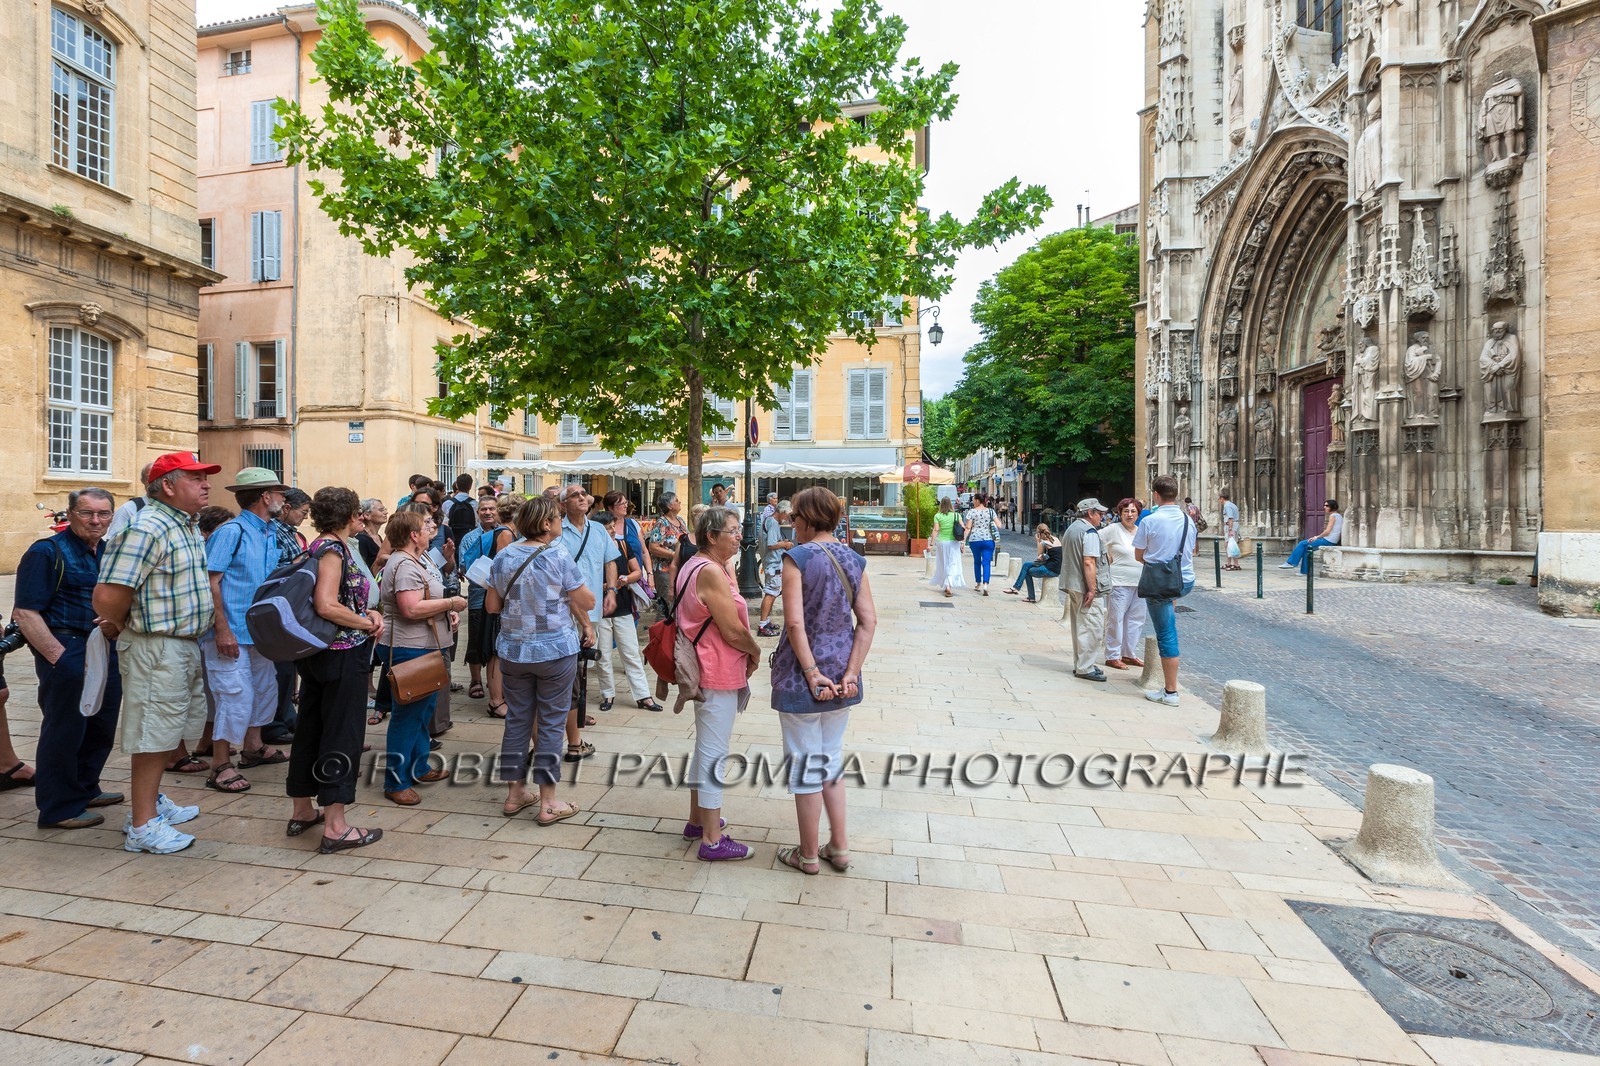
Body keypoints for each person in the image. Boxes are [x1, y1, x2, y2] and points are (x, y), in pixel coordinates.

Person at [94, 452, 216, 854]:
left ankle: (150, 803)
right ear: (167, 485)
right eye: (195, 478)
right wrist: (126, 625)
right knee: (152, 731)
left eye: (205, 478)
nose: (206, 485)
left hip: (177, 645)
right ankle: (143, 825)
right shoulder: (148, 528)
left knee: (166, 729)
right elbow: (108, 594)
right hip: (156, 646)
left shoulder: (184, 525)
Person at [769, 488, 875, 875]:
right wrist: (851, 672)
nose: (791, 523)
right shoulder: (854, 558)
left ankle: (809, 854)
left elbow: (795, 623)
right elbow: (868, 621)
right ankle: (840, 847)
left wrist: (812, 672)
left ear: (809, 519)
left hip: (803, 676)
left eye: (795, 517)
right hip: (843, 675)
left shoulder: (797, 558)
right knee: (830, 757)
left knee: (804, 761)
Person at [12, 488, 122, 829]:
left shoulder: (104, 551)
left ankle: (84, 788)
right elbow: (25, 612)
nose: (95, 520)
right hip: (68, 649)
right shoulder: (46, 552)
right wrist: (58, 656)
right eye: (87, 513)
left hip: (102, 648)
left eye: (103, 514)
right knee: (65, 729)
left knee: (100, 725)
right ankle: (59, 807)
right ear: (70, 514)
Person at [288, 487, 385, 853]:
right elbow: (327, 604)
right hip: (340, 654)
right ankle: (336, 825)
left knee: (311, 727)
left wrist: (366, 613)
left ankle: (302, 808)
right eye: (358, 512)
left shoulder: (317, 545)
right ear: (349, 516)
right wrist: (364, 621)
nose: (361, 518)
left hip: (320, 654)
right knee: (341, 735)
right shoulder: (332, 549)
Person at [487, 495, 595, 824]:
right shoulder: (558, 555)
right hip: (554, 650)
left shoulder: (504, 556)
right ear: (546, 524)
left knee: (518, 720)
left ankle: (514, 792)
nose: (561, 521)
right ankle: (548, 801)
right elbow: (587, 600)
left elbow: (492, 606)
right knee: (550, 722)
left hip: (514, 649)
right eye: (557, 517)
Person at [198, 467, 292, 796]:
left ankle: (253, 747)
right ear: (265, 497)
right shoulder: (232, 531)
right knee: (234, 697)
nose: (283, 497)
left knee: (264, 691)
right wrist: (222, 630)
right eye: (279, 492)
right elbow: (211, 583)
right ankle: (220, 764)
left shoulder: (268, 531)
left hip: (258, 633)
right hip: (232, 633)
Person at [675, 506, 762, 860]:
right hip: (717, 668)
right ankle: (712, 840)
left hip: (708, 666)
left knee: (706, 746)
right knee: (713, 752)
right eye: (732, 530)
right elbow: (732, 630)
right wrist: (755, 651)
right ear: (711, 536)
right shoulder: (709, 570)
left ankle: (698, 820)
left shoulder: (696, 564)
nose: (739, 535)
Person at [377, 510, 467, 805]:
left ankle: (419, 766)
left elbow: (425, 601)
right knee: (407, 716)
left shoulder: (417, 559)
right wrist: (452, 602)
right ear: (413, 535)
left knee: (422, 712)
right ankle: (396, 782)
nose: (431, 530)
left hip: (425, 646)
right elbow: (411, 608)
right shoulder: (403, 564)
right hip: (409, 648)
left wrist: (445, 610)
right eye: (425, 527)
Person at [559, 484, 619, 760]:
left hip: (592, 606)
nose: (582, 497)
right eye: (574, 495)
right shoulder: (557, 531)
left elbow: (610, 561)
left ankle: (576, 712)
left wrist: (611, 590)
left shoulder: (597, 529)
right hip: (564, 610)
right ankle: (569, 718)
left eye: (584, 493)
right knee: (568, 665)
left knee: (584, 663)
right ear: (563, 504)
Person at [1133, 474, 1198, 708]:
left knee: (1166, 634)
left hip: (1160, 584)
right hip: (1185, 581)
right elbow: (1191, 549)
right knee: (1169, 610)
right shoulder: (1188, 519)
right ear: (1176, 494)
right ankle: (1170, 606)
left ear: (1156, 495)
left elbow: (1139, 556)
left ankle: (1171, 692)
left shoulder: (1149, 520)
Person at [595, 502, 661, 712]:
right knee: (603, 654)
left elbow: (636, 572)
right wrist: (606, 585)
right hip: (601, 609)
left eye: (613, 526)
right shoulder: (593, 551)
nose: (613, 530)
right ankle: (608, 695)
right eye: (608, 528)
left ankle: (643, 696)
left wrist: (622, 581)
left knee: (630, 652)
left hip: (622, 605)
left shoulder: (623, 546)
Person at [459, 495, 505, 702]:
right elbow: (464, 566)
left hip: (503, 599)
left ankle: (497, 682)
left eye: (491, 509)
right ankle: (476, 680)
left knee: (498, 643)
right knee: (477, 640)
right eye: (483, 509)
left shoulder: (508, 534)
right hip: (479, 596)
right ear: (478, 513)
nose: (488, 512)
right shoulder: (470, 538)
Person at [1060, 499, 1110, 682]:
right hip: (1084, 586)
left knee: (1080, 626)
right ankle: (1085, 667)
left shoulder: (1072, 528)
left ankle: (1081, 663)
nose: (1102, 517)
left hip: (1073, 583)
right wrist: (1092, 589)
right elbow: (1089, 561)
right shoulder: (1089, 532)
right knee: (1092, 628)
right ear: (1090, 513)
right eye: (1100, 513)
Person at [1101, 498, 1148, 671]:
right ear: (1119, 513)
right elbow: (1093, 540)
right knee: (1116, 619)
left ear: (1138, 514)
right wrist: (1105, 555)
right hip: (1119, 581)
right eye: (1126, 511)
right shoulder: (1113, 529)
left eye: (1133, 511)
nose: (1129, 515)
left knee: (1136, 619)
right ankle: (1113, 655)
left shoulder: (1140, 531)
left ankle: (1129, 653)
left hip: (1140, 582)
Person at [756, 500, 794, 637]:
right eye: (788, 514)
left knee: (772, 592)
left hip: (771, 562)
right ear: (782, 512)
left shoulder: (768, 520)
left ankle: (766, 621)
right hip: (773, 563)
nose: (788, 518)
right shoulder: (773, 523)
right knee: (771, 593)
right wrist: (785, 544)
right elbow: (772, 544)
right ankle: (762, 625)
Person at [1282, 499, 1344, 574]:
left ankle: (1291, 563)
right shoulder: (1339, 516)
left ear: (1333, 507)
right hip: (1332, 540)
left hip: (1328, 541)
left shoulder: (1333, 516)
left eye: (1327, 506)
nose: (1324, 507)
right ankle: (1305, 571)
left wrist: (1316, 537)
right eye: (1324, 505)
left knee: (1302, 543)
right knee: (1306, 549)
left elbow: (1327, 531)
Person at [1004, 524, 1061, 603]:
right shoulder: (1056, 539)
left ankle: (1028, 595)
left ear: (1039, 534)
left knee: (1028, 571)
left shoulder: (1044, 542)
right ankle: (1017, 589)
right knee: (1026, 565)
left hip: (1050, 570)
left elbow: (1039, 555)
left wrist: (1038, 541)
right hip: (1056, 568)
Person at [645, 492, 688, 596]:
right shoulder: (662, 523)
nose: (679, 502)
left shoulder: (681, 520)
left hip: (681, 569)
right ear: (670, 506)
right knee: (669, 603)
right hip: (665, 571)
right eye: (677, 500)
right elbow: (653, 548)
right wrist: (674, 555)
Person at [105, 461, 155, 542]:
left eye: (158, 477)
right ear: (142, 480)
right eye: (149, 478)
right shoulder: (129, 509)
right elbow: (112, 543)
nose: (154, 481)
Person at [927, 497, 965, 598]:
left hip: (942, 543)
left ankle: (946, 583)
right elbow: (963, 529)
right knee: (952, 563)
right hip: (953, 542)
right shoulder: (957, 515)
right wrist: (962, 543)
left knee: (943, 563)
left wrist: (931, 545)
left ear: (941, 504)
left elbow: (936, 530)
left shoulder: (937, 515)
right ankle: (948, 585)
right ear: (951, 505)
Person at [963, 493, 999, 595]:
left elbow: (968, 528)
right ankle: (986, 584)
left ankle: (978, 583)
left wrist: (962, 541)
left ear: (978, 501)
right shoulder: (991, 511)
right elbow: (999, 525)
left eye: (974, 500)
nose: (973, 502)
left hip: (975, 540)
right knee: (986, 563)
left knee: (977, 562)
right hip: (988, 540)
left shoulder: (972, 512)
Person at [355, 498, 388, 571]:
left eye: (385, 509)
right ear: (367, 515)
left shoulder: (378, 537)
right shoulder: (361, 539)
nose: (386, 512)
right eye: (381, 510)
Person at [444, 473, 477, 544]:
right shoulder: (475, 504)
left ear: (456, 485)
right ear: (470, 486)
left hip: (452, 538)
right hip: (471, 537)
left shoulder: (447, 504)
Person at [1220, 491, 1242, 571]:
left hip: (1231, 526)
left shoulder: (1227, 506)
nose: (1220, 501)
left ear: (1222, 499)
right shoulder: (1232, 505)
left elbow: (1230, 518)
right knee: (1232, 544)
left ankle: (1234, 564)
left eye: (1220, 499)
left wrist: (1230, 529)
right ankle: (1231, 563)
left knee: (1229, 545)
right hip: (1234, 526)